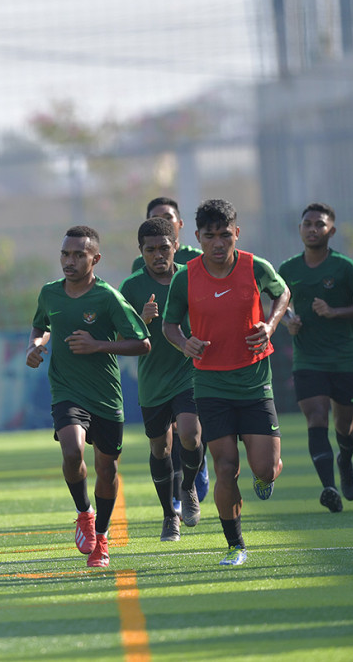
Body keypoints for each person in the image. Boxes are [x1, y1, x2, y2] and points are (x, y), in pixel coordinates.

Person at [162, 199, 289, 566]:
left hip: (254, 382)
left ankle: (265, 477)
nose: (218, 243)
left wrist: (271, 325)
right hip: (211, 386)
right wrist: (184, 343)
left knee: (264, 467)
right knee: (225, 467)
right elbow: (169, 325)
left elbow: (282, 293)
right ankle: (236, 546)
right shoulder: (186, 276)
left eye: (225, 235)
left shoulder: (255, 266)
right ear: (197, 237)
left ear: (237, 233)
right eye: (210, 236)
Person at [26, 225, 150, 568]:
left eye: (79, 255)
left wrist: (97, 345)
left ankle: (102, 537)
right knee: (71, 451)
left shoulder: (107, 297)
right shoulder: (50, 293)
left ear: (95, 259)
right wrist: (34, 346)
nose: (70, 261)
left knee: (106, 470)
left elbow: (142, 343)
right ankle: (84, 513)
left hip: (105, 396)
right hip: (66, 390)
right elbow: (41, 325)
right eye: (65, 254)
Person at [278, 202, 353, 512]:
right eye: (308, 224)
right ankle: (329, 487)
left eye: (320, 224)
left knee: (345, 426)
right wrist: (288, 321)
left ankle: (345, 461)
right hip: (307, 359)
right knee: (316, 417)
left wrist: (334, 312)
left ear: (332, 231)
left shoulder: (344, 266)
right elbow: (277, 304)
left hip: (343, 358)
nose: (313, 229)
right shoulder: (288, 269)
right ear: (300, 229)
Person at [119, 218, 204, 541]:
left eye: (164, 248)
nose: (158, 255)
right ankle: (170, 515)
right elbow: (118, 339)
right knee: (160, 448)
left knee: (190, 435)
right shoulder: (131, 287)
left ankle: (188, 487)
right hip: (153, 380)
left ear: (175, 247)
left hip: (189, 373)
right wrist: (140, 321)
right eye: (150, 250)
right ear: (141, 251)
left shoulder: (192, 278)